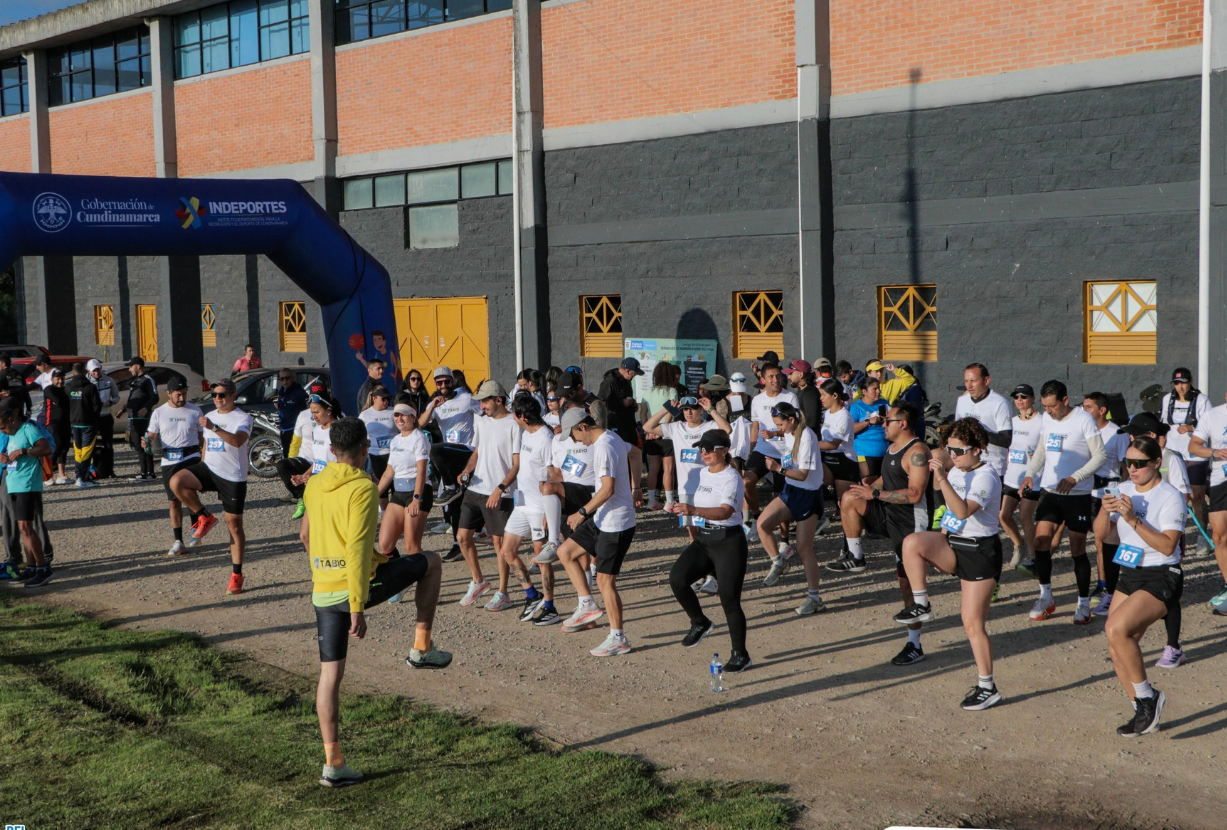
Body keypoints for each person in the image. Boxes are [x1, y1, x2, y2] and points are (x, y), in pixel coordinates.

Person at [303, 417, 451, 789]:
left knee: (330, 677)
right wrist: (357, 606)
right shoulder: (365, 489)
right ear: (366, 449)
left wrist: (325, 569)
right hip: (354, 589)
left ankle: (333, 762)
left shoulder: (314, 485)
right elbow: (355, 549)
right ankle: (421, 646)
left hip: (323, 589)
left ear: (332, 450)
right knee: (431, 562)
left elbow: (304, 535)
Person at [895, 418, 1004, 710]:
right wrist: (939, 544)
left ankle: (987, 686)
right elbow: (950, 517)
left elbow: (963, 509)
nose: (953, 456)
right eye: (949, 449)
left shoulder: (987, 477)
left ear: (979, 449)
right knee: (913, 543)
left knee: (972, 624)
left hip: (980, 552)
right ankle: (922, 604)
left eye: (959, 450)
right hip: (955, 544)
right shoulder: (957, 470)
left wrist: (942, 477)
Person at [1097, 436, 1184, 737]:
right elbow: (1101, 535)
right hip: (1129, 571)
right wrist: (1104, 510)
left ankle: (1149, 696)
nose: (1132, 469)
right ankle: (1142, 712)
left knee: (1115, 629)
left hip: (1161, 573)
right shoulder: (1121, 489)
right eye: (1128, 463)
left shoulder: (1171, 496)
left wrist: (1133, 520)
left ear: (1157, 462)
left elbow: (1168, 545)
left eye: (1139, 464)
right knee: (1117, 643)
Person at [835, 402, 933, 665]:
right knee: (848, 499)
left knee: (907, 585)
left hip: (910, 525)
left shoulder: (917, 452)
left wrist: (875, 493)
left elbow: (915, 494)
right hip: (888, 514)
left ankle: (915, 645)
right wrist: (867, 486)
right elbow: (884, 479)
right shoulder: (891, 448)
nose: (882, 423)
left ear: (902, 424)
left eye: (886, 420)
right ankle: (856, 557)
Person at [1019, 380, 1108, 624]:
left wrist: (1075, 477)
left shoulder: (1084, 420)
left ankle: (1083, 603)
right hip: (1049, 491)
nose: (1048, 411)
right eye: (1045, 406)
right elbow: (1042, 450)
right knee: (1041, 542)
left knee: (1077, 549)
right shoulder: (1047, 420)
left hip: (1077, 495)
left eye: (1053, 406)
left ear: (1065, 400)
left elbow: (1101, 455)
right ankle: (1046, 596)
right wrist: (1030, 473)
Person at [555, 408, 638, 656]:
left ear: (583, 426)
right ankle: (587, 605)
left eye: (573, 435)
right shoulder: (613, 438)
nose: (575, 441)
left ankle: (618, 638)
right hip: (603, 517)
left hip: (617, 523)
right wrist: (637, 487)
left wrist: (581, 512)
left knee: (605, 582)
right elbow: (637, 453)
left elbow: (607, 489)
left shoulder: (603, 446)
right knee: (566, 552)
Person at [668, 429, 751, 671]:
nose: (703, 453)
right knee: (677, 578)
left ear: (724, 451)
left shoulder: (732, 477)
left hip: (729, 542)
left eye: (709, 449)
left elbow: (726, 511)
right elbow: (703, 508)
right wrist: (686, 511)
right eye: (701, 448)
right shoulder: (704, 473)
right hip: (705, 540)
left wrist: (693, 510)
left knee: (729, 599)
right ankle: (700, 622)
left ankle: (740, 655)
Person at [1119, 413, 1190, 667]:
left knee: (1168, 591)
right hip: (1132, 556)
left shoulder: (1171, 459)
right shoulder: (1130, 472)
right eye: (1129, 463)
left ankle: (1172, 645)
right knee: (1121, 632)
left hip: (1166, 527)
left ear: (1150, 436)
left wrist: (1160, 512)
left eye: (1136, 433)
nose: (1131, 437)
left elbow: (1183, 495)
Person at [170, 379, 252, 594]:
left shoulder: (242, 417)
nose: (217, 398)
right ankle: (204, 515)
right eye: (214, 394)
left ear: (233, 395)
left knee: (234, 526)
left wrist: (214, 427)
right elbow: (206, 443)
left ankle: (236, 574)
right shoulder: (210, 416)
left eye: (222, 394)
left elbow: (237, 441)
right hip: (210, 469)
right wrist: (203, 463)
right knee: (177, 482)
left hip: (232, 476)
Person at [757, 402, 828, 615]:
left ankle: (814, 598)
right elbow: (783, 437)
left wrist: (778, 469)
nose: (780, 427)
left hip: (808, 495)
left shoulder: (806, 437)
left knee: (803, 549)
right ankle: (779, 562)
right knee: (762, 524)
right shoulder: (789, 431)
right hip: (791, 491)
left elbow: (803, 474)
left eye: (780, 424)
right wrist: (774, 433)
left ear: (791, 420)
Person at [454, 380, 520, 610]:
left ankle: (503, 592)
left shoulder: (514, 424)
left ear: (499, 400)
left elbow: (516, 464)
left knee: (499, 545)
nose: (481, 405)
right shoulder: (481, 421)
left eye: (485, 400)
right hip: (476, 489)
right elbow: (477, 452)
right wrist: (466, 471)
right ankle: (478, 581)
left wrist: (500, 489)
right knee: (463, 538)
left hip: (501, 493)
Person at [491, 395, 554, 622]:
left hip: (539, 509)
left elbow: (554, 474)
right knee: (506, 551)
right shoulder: (525, 433)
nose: (512, 418)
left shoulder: (546, 438)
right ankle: (531, 595)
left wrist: (549, 512)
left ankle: (550, 606)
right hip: (522, 505)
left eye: (514, 414)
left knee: (541, 558)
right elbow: (519, 466)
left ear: (523, 416)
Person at [642, 395, 722, 543]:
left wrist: (711, 410)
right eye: (685, 409)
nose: (689, 413)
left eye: (692, 409)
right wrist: (666, 410)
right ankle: (696, 548)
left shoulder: (709, 426)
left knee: (707, 522)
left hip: (707, 485)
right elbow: (647, 427)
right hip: (686, 487)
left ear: (700, 410)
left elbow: (727, 429)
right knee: (690, 525)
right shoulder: (677, 427)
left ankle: (709, 549)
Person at [144, 376, 205, 556]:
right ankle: (178, 541)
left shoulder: (195, 411)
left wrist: (204, 459)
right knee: (173, 501)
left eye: (184, 394)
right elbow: (151, 436)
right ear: (168, 393)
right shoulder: (159, 412)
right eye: (178, 395)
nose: (182, 398)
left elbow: (203, 439)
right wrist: (145, 441)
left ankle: (196, 531)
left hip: (191, 457)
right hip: (169, 460)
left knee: (190, 496)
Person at [743, 364, 800, 541]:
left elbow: (796, 427)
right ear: (763, 379)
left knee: (780, 497)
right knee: (746, 482)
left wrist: (776, 433)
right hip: (762, 450)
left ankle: (784, 540)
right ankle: (757, 518)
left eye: (778, 376)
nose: (775, 380)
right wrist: (751, 452)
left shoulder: (790, 397)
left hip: (785, 452)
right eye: (771, 377)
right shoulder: (758, 400)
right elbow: (755, 427)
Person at [0, 398, 54, 587]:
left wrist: (24, 451)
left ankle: (43, 568)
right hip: (14, 483)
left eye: (3, 427)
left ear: (11, 420)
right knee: (23, 529)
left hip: (27, 485)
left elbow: (46, 448)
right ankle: (30, 567)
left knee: (27, 529)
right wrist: (5, 457)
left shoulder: (28, 429)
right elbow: (12, 455)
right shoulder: (13, 434)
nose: (2, 431)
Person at [1084, 390, 1130, 600]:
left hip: (1110, 490)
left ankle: (1112, 583)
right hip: (1089, 490)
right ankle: (1103, 583)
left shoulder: (1117, 434)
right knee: (1097, 539)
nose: (1084, 411)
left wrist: (1124, 491)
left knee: (1109, 539)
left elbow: (1125, 467)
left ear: (1102, 410)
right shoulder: (1084, 430)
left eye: (1088, 407)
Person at [375, 403, 433, 563]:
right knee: (385, 544)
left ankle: (428, 574)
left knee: (412, 547)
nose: (399, 418)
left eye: (404, 415)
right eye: (396, 415)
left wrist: (416, 498)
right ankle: (400, 576)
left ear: (413, 417)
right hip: (399, 492)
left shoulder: (419, 438)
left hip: (417, 491)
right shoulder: (395, 440)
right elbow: (388, 473)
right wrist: (373, 495)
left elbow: (421, 470)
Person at [1187, 389, 1227, 612]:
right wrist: (1215, 452)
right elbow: (1194, 446)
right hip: (1221, 480)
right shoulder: (1213, 416)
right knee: (1219, 536)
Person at [1161, 368, 1210, 551]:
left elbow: (1208, 425)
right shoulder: (1167, 400)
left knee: (1197, 496)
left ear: (1191, 381)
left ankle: (1202, 536)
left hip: (1195, 454)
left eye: (1183, 382)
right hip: (1174, 454)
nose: (1180, 387)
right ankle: (1173, 536)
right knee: (1174, 496)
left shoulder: (1202, 400)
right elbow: (1163, 424)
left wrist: (1191, 428)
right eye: (1176, 383)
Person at [1000, 384, 1042, 570]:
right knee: (1004, 516)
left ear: (1033, 398)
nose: (1019, 400)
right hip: (1011, 477)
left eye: (1023, 396)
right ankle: (1019, 544)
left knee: (1025, 516)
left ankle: (1033, 556)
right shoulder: (1011, 421)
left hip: (1032, 477)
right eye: (1016, 397)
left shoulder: (1042, 421)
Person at [597, 357, 646, 506]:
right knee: (619, 459)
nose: (635, 376)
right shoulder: (610, 381)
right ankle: (617, 492)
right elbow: (600, 403)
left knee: (631, 456)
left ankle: (631, 491)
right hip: (615, 426)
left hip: (628, 425)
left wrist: (632, 406)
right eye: (634, 373)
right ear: (627, 371)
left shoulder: (626, 381)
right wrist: (621, 403)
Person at [276, 381, 328, 518]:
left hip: (328, 467)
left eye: (320, 395)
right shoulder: (304, 416)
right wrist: (290, 460)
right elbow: (296, 441)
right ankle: (302, 498)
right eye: (313, 412)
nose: (315, 415)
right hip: (307, 460)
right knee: (282, 465)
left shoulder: (339, 418)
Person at [952, 364, 1012, 477]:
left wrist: (978, 429)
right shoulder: (962, 401)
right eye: (966, 381)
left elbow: (1006, 441)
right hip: (966, 465)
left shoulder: (1000, 403)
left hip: (992, 466)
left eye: (973, 381)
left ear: (987, 380)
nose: (969, 386)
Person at [641, 361, 680, 510]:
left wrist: (649, 431)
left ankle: (652, 501)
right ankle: (669, 501)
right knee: (668, 468)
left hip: (650, 435)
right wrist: (662, 430)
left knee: (653, 468)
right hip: (666, 434)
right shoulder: (672, 391)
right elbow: (671, 413)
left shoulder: (647, 392)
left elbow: (643, 414)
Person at [816, 377, 858, 507]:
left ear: (834, 395)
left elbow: (833, 444)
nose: (820, 398)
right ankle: (818, 517)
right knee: (811, 483)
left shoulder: (844, 416)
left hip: (844, 462)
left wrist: (811, 444)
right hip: (829, 459)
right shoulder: (827, 413)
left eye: (823, 394)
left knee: (844, 505)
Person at [65, 362, 102, 489]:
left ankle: (78, 476)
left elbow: (65, 405)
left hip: (75, 423)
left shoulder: (68, 387)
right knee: (86, 451)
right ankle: (82, 477)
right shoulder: (90, 387)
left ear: (73, 372)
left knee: (78, 450)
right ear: (86, 371)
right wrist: (94, 419)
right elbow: (97, 405)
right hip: (88, 423)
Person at [359, 386, 395, 509]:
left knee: (395, 485)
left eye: (388, 399)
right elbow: (360, 434)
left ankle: (397, 515)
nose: (386, 402)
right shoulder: (365, 414)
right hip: (375, 454)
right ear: (374, 398)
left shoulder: (393, 411)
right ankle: (385, 514)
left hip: (393, 453)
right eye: (383, 399)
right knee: (381, 487)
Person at [125, 357, 158, 482]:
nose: (129, 369)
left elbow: (155, 397)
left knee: (143, 444)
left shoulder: (148, 380)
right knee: (138, 445)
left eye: (130, 366)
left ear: (138, 366)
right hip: (134, 417)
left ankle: (148, 472)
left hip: (142, 418)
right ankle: (146, 471)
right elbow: (134, 398)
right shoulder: (137, 380)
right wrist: (123, 409)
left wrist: (146, 408)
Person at [86, 358, 119, 479]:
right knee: (90, 445)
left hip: (105, 416)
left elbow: (116, 397)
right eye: (94, 371)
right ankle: (91, 470)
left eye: (98, 370)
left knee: (108, 444)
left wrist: (109, 402)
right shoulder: (86, 382)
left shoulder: (109, 380)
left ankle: (109, 470)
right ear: (89, 371)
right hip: (92, 418)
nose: (96, 373)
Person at [850, 377, 888, 481]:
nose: (878, 391)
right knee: (869, 483)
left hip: (884, 450)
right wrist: (868, 422)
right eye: (874, 389)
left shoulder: (884, 403)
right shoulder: (856, 407)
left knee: (883, 484)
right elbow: (850, 429)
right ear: (864, 391)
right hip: (864, 452)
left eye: (879, 388)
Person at [42, 368, 72, 485]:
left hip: (66, 422)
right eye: (58, 378)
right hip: (52, 423)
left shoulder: (66, 389)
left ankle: (61, 474)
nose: (60, 381)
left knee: (64, 448)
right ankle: (47, 475)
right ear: (52, 379)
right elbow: (58, 401)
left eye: (62, 378)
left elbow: (70, 400)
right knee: (56, 447)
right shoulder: (48, 389)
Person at [275, 370, 310, 456]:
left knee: (293, 456)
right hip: (284, 429)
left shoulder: (299, 392)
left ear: (292, 378)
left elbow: (308, 410)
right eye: (282, 379)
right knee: (286, 454)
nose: (285, 381)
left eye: (287, 378)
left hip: (294, 429)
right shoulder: (282, 391)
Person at [787, 359, 822, 431]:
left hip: (809, 439)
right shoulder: (802, 390)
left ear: (801, 374)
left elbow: (811, 422)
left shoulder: (810, 393)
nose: (789, 377)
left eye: (791, 373)